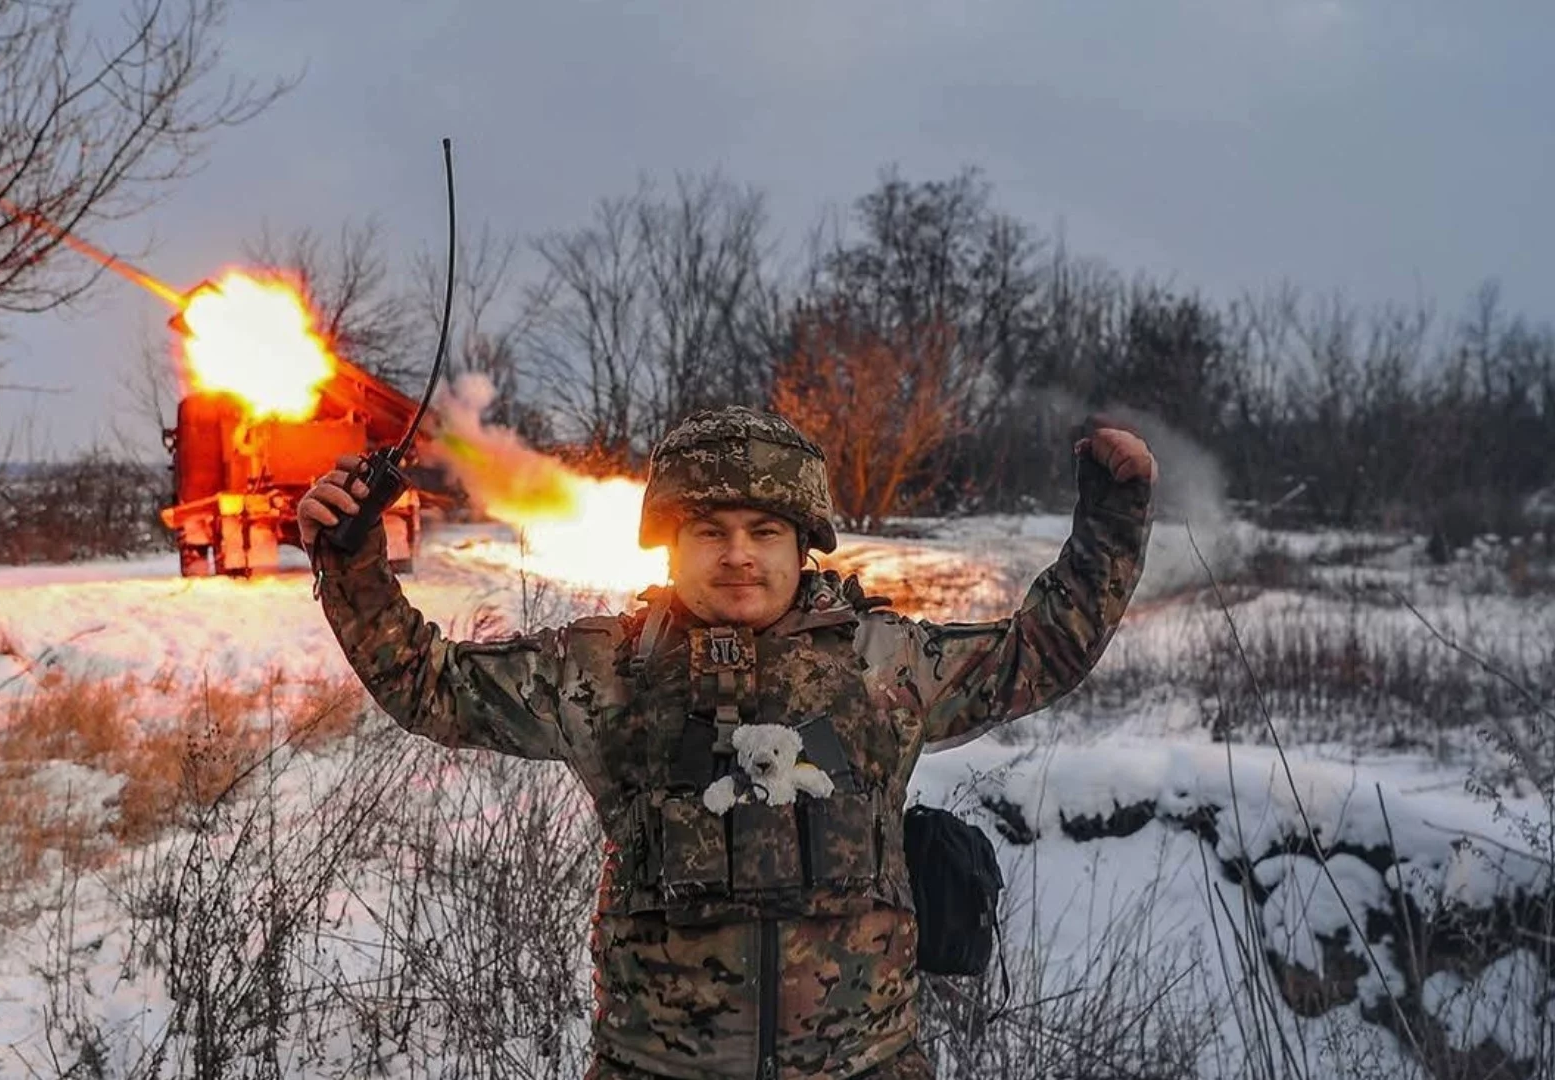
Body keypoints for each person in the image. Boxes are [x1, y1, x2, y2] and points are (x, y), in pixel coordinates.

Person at [297, 406, 1156, 1080]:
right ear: (671, 545)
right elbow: (429, 684)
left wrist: (1110, 523)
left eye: (765, 531)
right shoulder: (604, 671)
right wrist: (353, 561)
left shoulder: (884, 664)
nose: (738, 555)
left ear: (803, 542)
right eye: (710, 531)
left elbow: (1040, 651)